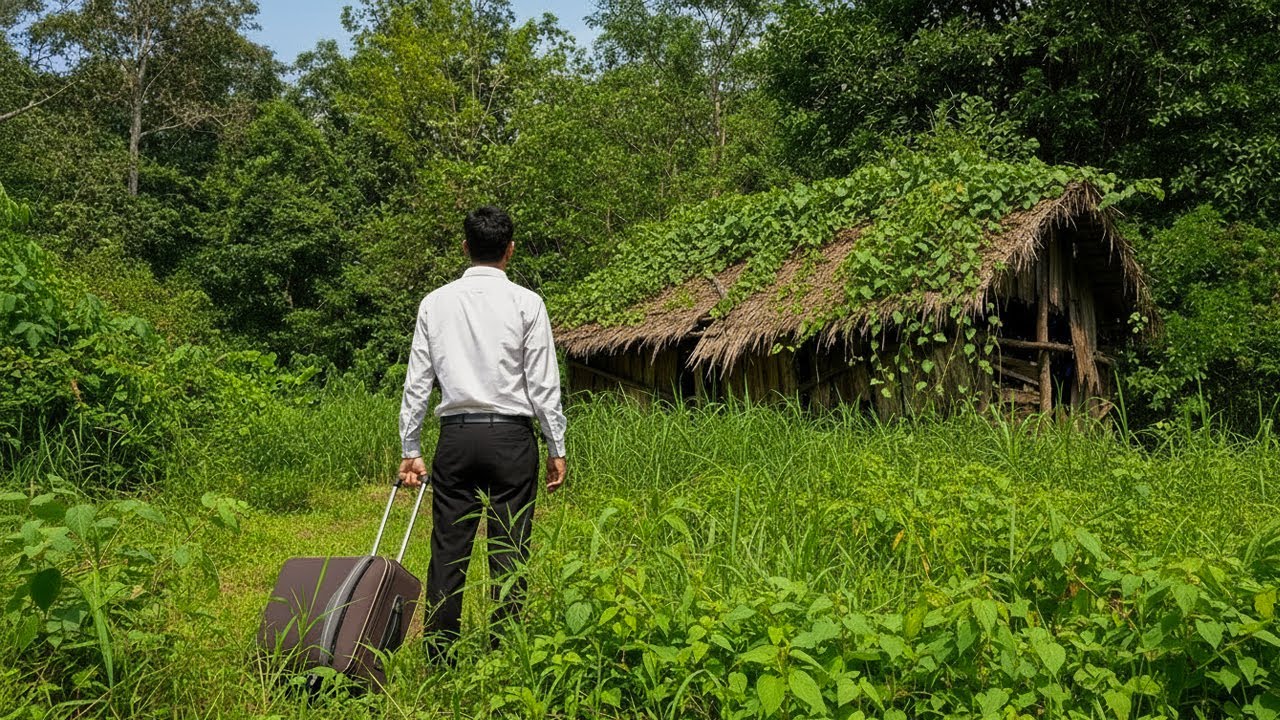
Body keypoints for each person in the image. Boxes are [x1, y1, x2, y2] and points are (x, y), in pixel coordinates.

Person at [396, 205, 568, 661]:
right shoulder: (528, 303)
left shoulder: (435, 302)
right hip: (512, 438)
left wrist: (410, 447)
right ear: (510, 250)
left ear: (465, 247)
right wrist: (556, 445)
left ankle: (440, 655)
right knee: (510, 547)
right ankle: (505, 653)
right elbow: (543, 383)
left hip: (456, 436)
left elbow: (418, 381)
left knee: (449, 549)